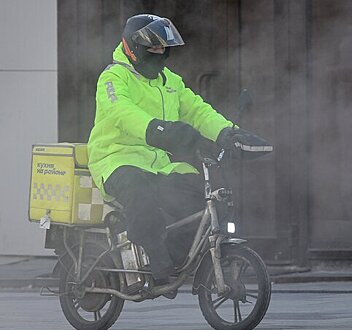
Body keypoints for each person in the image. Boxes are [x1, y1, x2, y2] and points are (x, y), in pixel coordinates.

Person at [87, 14, 272, 297]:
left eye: (164, 49)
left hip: (158, 163)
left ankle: (175, 258)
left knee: (203, 198)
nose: (160, 54)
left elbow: (197, 110)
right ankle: (156, 263)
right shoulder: (113, 77)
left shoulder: (169, 81)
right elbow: (121, 112)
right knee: (141, 196)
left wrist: (227, 132)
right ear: (133, 48)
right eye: (154, 49)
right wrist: (159, 130)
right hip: (117, 159)